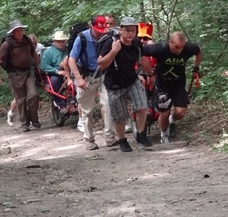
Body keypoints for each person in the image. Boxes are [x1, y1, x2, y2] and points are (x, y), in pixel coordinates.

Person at [98, 17, 154, 151]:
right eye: (127, 30)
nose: (130, 33)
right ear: (121, 30)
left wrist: (151, 74)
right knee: (120, 115)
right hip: (114, 84)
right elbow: (101, 64)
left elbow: (143, 60)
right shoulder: (111, 43)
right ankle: (122, 140)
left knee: (142, 107)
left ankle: (141, 134)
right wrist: (113, 51)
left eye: (132, 30)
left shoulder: (136, 44)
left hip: (131, 80)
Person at [143, 31, 202, 144]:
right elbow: (140, 52)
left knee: (180, 113)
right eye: (176, 47)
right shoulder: (160, 49)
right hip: (162, 86)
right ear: (170, 42)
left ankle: (172, 121)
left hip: (178, 85)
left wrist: (196, 68)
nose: (179, 51)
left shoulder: (188, 48)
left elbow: (198, 51)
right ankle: (164, 135)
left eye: (182, 47)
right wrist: (149, 73)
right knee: (164, 113)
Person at [68, 14, 115, 150]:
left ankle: (110, 137)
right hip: (87, 77)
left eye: (102, 31)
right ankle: (89, 139)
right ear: (91, 27)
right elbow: (72, 59)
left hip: (104, 75)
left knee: (107, 105)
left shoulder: (108, 37)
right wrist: (78, 78)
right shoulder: (81, 38)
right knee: (87, 109)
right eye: (97, 31)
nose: (100, 35)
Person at [0, 20, 41, 132]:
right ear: (13, 32)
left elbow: (33, 53)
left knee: (33, 95)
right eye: (17, 31)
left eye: (21, 30)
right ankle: (25, 123)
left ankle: (34, 120)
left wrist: (38, 65)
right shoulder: (7, 44)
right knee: (21, 99)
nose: (20, 32)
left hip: (29, 71)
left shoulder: (27, 40)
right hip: (15, 74)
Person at [41, 30, 69, 112]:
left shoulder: (69, 50)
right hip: (54, 73)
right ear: (54, 42)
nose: (61, 43)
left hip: (69, 72)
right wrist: (56, 71)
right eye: (58, 41)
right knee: (54, 81)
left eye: (63, 41)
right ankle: (61, 105)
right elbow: (44, 66)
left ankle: (74, 102)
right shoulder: (48, 52)